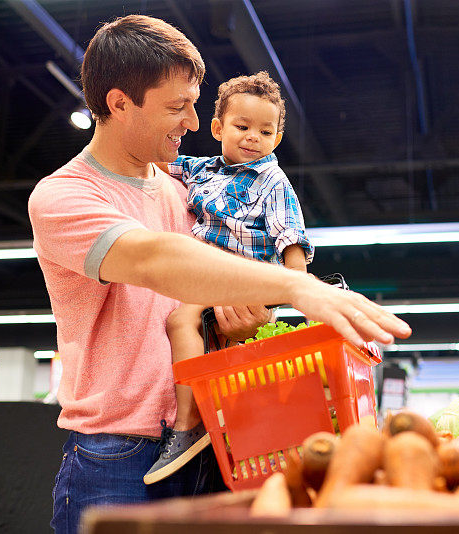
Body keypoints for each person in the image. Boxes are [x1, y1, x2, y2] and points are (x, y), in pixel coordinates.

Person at [27, 15, 410, 534]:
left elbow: (210, 291)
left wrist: (243, 328)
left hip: (217, 441)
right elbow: (154, 261)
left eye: (194, 103)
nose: (191, 121)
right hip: (120, 453)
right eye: (175, 107)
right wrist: (297, 286)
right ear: (119, 104)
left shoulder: (188, 191)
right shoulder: (65, 196)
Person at [142, 71, 313, 485]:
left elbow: (291, 236)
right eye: (242, 126)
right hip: (206, 275)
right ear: (217, 127)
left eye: (265, 131)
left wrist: (303, 292)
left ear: (276, 139)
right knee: (205, 337)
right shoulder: (205, 170)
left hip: (245, 277)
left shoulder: (273, 181)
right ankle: (211, 416)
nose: (253, 137)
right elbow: (160, 164)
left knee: (179, 321)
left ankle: (187, 422)